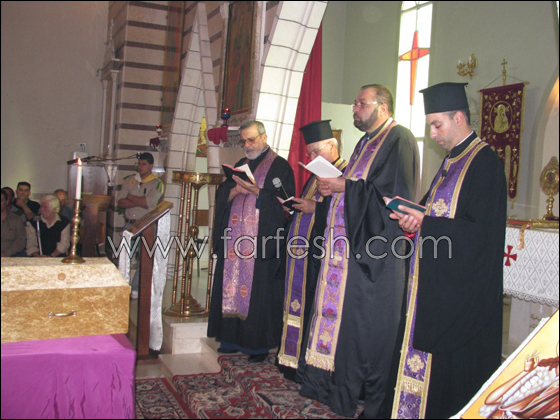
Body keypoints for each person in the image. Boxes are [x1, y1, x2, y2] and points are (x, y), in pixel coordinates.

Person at [298, 84, 420, 418]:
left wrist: (344, 186)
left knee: (368, 331)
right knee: (347, 329)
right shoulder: (365, 143)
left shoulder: (400, 139)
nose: (355, 109)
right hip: (348, 255)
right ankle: (339, 393)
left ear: (382, 107)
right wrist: (335, 188)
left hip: (376, 255)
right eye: (354, 103)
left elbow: (394, 195)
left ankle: (369, 401)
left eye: (360, 103)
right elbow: (359, 189)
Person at [390, 82, 507, 419]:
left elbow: (479, 234)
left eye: (437, 125)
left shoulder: (485, 163)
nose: (432, 134)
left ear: (459, 118)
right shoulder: (451, 161)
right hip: (435, 285)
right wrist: (412, 219)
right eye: (430, 126)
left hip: (462, 295)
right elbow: (433, 213)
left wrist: (425, 222)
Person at [207, 120, 295, 363]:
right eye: (243, 141)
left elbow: (286, 204)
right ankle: (229, 339)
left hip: (262, 240)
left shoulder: (280, 166)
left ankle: (257, 345)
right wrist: (236, 191)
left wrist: (256, 191)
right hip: (235, 240)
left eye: (251, 139)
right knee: (230, 284)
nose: (247, 145)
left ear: (264, 137)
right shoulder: (239, 165)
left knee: (258, 292)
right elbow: (223, 194)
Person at [276, 120, 348, 381]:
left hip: (324, 258)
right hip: (302, 255)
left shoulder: (346, 174)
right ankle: (292, 359)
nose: (312, 157)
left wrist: (314, 208)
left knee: (314, 311)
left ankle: (308, 366)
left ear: (332, 145)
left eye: (316, 151)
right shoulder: (316, 174)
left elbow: (346, 213)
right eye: (309, 154)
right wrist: (294, 207)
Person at [117, 152, 164, 298]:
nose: (141, 167)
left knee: (144, 258)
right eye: (139, 164)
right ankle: (121, 286)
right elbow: (120, 201)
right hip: (130, 224)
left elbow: (149, 203)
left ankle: (135, 288)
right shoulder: (129, 181)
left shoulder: (156, 183)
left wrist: (130, 197)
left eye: (144, 164)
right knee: (124, 256)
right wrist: (140, 200)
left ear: (151, 166)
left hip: (146, 225)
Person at [1, 189, 26, 257]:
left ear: (6, 202)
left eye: (1, 200)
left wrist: (6, 253)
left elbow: (21, 241)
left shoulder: (16, 220)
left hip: (11, 255)